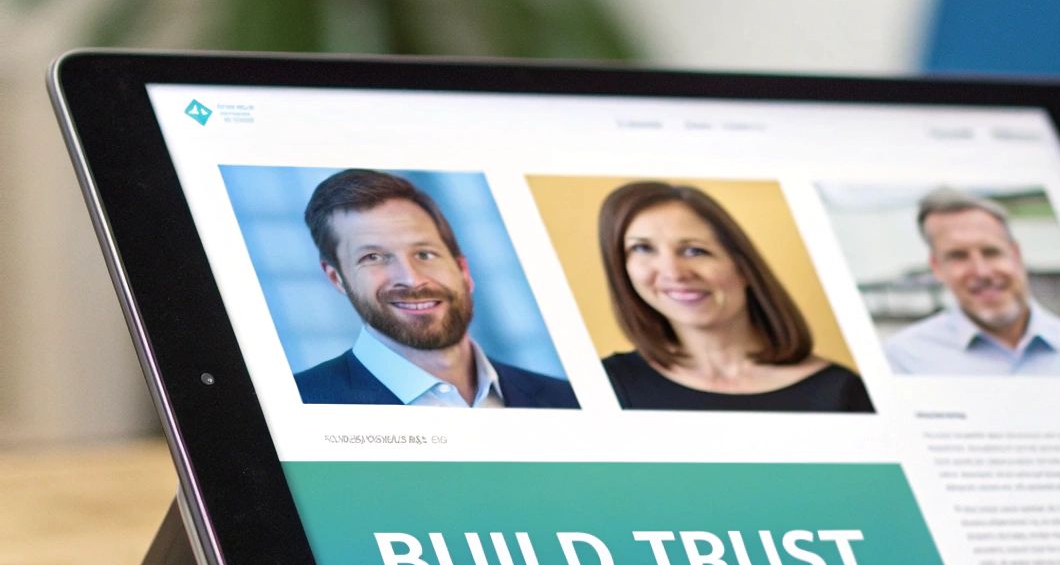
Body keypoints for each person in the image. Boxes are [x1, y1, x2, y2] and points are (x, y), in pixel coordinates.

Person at [293, 169, 579, 408]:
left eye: (425, 253)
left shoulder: (565, 399)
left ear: (463, 270)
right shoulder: (302, 402)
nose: (412, 279)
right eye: (373, 257)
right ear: (336, 278)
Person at [597, 181, 873, 413]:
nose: (674, 272)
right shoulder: (605, 386)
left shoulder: (842, 392)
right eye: (643, 248)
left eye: (695, 251)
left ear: (743, 269)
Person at [884, 188, 1060, 376]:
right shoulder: (903, 360)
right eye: (958, 256)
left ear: (1016, 254)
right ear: (936, 267)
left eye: (991, 252)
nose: (981, 271)